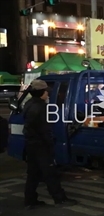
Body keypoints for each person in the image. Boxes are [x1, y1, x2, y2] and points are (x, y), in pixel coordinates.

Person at [23, 79, 77, 209]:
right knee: (50, 173)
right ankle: (60, 199)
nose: (48, 94)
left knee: (33, 175)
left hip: (31, 144)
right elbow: (44, 130)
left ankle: (30, 200)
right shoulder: (42, 107)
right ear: (42, 92)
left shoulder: (28, 104)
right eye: (46, 92)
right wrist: (51, 145)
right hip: (41, 146)